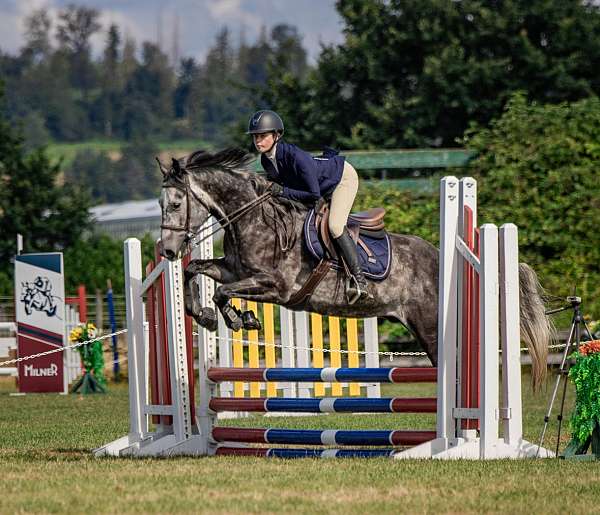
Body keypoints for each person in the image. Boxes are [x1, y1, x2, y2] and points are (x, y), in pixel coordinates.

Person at [247, 109, 372, 304]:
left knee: (335, 226)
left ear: (276, 135)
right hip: (318, 184)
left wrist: (282, 192)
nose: (258, 141)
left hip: (341, 179)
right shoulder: (266, 160)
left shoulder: (295, 156)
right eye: (255, 137)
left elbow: (313, 195)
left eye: (263, 136)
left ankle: (360, 280)